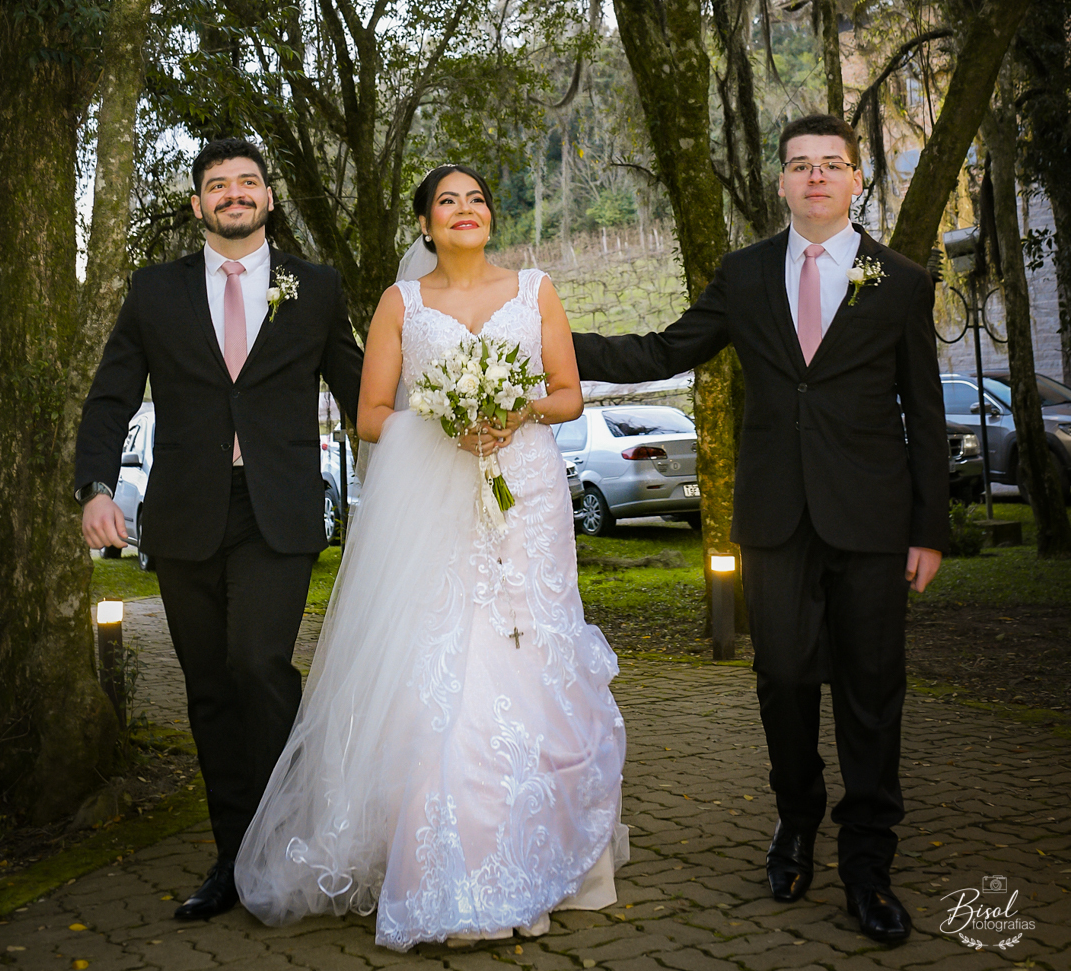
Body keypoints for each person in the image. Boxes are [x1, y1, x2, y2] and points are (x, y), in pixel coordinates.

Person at [571, 114, 949, 949]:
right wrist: (550, 339)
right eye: (800, 166)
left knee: (872, 687)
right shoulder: (743, 277)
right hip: (776, 514)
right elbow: (666, 346)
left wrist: (929, 530)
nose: (816, 178)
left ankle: (867, 860)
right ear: (779, 183)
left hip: (874, 517)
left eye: (832, 165)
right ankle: (796, 819)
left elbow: (924, 412)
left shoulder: (902, 280)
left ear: (856, 181)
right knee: (781, 675)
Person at [235, 165, 628, 950]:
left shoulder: (536, 290)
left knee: (531, 654)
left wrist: (513, 410)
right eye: (447, 202)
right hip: (437, 504)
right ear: (425, 225)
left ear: (491, 215)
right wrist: (443, 419)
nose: (464, 210)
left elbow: (568, 394)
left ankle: (545, 853)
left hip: (528, 498)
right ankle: (453, 870)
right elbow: (375, 415)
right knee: (452, 666)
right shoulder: (400, 305)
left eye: (477, 198)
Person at [74, 137, 362, 922]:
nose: (234, 193)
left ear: (268, 198)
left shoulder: (317, 287)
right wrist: (96, 486)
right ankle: (234, 860)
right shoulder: (154, 293)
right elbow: (110, 398)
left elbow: (363, 388)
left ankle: (284, 842)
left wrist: (441, 429)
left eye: (247, 182)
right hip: (186, 515)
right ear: (198, 204)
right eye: (217, 185)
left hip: (278, 510)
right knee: (209, 689)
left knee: (258, 665)